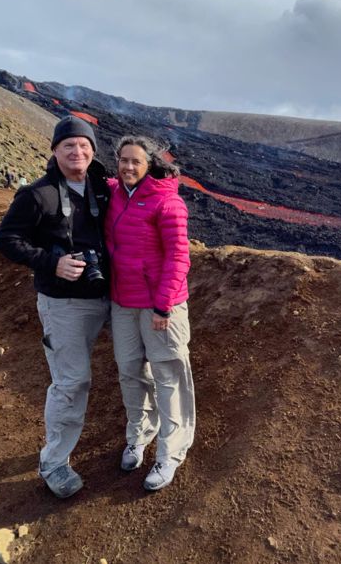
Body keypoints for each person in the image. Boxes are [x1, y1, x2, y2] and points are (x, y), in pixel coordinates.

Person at [0, 116, 111, 498]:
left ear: (93, 150)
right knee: (72, 382)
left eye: (84, 145)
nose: (77, 151)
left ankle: (139, 440)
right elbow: (7, 239)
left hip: (113, 295)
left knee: (136, 369)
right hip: (64, 303)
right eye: (68, 145)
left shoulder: (103, 187)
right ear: (55, 150)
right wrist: (51, 262)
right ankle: (55, 462)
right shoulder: (36, 194)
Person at [105, 136, 195, 491]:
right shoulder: (114, 192)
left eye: (136, 161)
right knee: (129, 371)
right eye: (124, 160)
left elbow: (179, 257)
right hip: (123, 302)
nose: (128, 166)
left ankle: (170, 452)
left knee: (168, 375)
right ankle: (139, 435)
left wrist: (163, 305)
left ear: (149, 165)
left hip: (160, 306)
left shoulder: (167, 202)